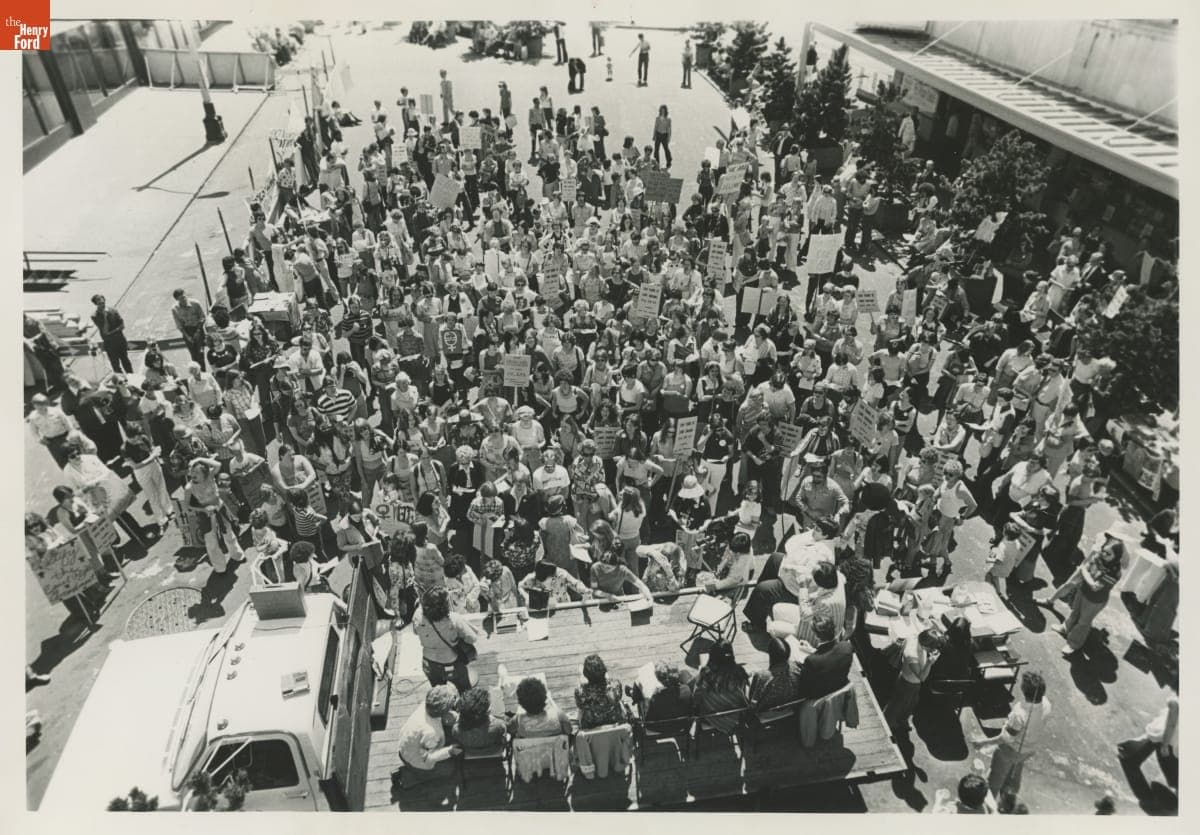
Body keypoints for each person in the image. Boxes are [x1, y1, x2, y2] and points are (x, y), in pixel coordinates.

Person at [978, 671, 1050, 797]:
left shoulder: (1020, 713)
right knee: (1014, 771)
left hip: (1010, 750)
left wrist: (983, 743)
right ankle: (1009, 793)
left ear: (1024, 690)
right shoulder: (1046, 704)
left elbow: (1006, 738)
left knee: (995, 779)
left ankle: (990, 800)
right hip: (1029, 749)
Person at [1056, 535, 1123, 657]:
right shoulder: (1098, 557)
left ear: (1116, 556)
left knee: (1084, 622)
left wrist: (1085, 573)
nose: (1104, 554)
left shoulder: (1115, 572)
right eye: (1103, 550)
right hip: (1083, 591)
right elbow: (1085, 569)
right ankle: (1066, 627)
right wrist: (1087, 574)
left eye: (1108, 554)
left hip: (1095, 600)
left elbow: (1094, 585)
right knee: (1075, 612)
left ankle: (1073, 644)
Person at [412, 586, 479, 692]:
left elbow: (415, 632)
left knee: (440, 692)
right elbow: (472, 638)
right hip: (451, 663)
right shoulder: (454, 619)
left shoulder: (417, 616)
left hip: (429, 664)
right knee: (464, 690)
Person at [397, 684, 461, 786]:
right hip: (415, 760)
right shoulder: (431, 732)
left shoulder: (425, 705)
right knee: (450, 769)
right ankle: (408, 778)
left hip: (405, 748)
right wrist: (450, 751)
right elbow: (428, 757)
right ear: (442, 712)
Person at [883, 627, 942, 732]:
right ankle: (888, 726)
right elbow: (922, 677)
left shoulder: (917, 638)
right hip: (907, 683)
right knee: (896, 706)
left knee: (911, 704)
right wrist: (930, 662)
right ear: (925, 645)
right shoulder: (912, 654)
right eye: (931, 648)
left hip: (914, 684)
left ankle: (902, 721)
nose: (932, 650)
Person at [692, 640, 750, 732]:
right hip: (735, 715)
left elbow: (697, 697)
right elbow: (743, 693)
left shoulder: (706, 674)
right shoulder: (739, 672)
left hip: (711, 717)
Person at [794, 613, 854, 699]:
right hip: (839, 689)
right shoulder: (847, 647)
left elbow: (804, 687)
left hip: (819, 697)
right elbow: (831, 657)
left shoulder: (811, 661)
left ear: (816, 636)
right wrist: (812, 650)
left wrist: (799, 666)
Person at [748, 637, 802, 713]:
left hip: (766, 715)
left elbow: (753, 702)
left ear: (771, 654)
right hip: (790, 711)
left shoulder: (762, 676)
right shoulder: (797, 669)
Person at [509, 676, 573, 738]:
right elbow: (569, 731)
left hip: (529, 745)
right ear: (545, 697)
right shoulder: (559, 715)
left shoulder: (518, 719)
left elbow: (509, 730)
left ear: (521, 703)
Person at [574, 654, 627, 730]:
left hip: (591, 726)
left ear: (585, 674)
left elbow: (580, 705)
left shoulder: (580, 691)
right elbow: (618, 697)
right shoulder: (615, 685)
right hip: (615, 722)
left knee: (580, 710)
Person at [451, 687, 506, 757]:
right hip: (493, 754)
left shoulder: (456, 730)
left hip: (469, 754)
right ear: (487, 712)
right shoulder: (498, 726)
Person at [91, 295, 132, 373]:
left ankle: (131, 377)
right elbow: (105, 331)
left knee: (126, 361)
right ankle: (121, 379)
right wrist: (105, 317)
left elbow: (122, 325)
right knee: (115, 365)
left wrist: (111, 332)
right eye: (100, 303)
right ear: (96, 304)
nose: (102, 305)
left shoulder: (113, 310)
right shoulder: (95, 316)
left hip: (120, 340)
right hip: (109, 344)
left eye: (103, 302)